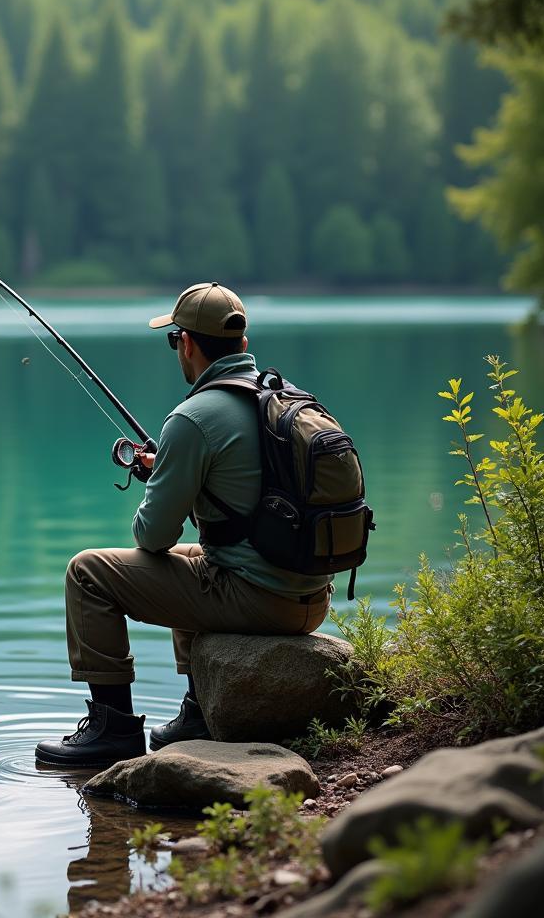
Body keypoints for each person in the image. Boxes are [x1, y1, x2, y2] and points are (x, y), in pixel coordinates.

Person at [35, 282, 334, 766]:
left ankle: (113, 730)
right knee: (194, 559)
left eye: (175, 339)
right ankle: (197, 712)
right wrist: (179, 474)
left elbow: (152, 537)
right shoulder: (283, 400)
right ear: (242, 344)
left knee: (87, 572)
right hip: (310, 597)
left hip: (260, 600)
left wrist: (167, 481)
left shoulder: (193, 418)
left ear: (188, 344)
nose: (177, 348)